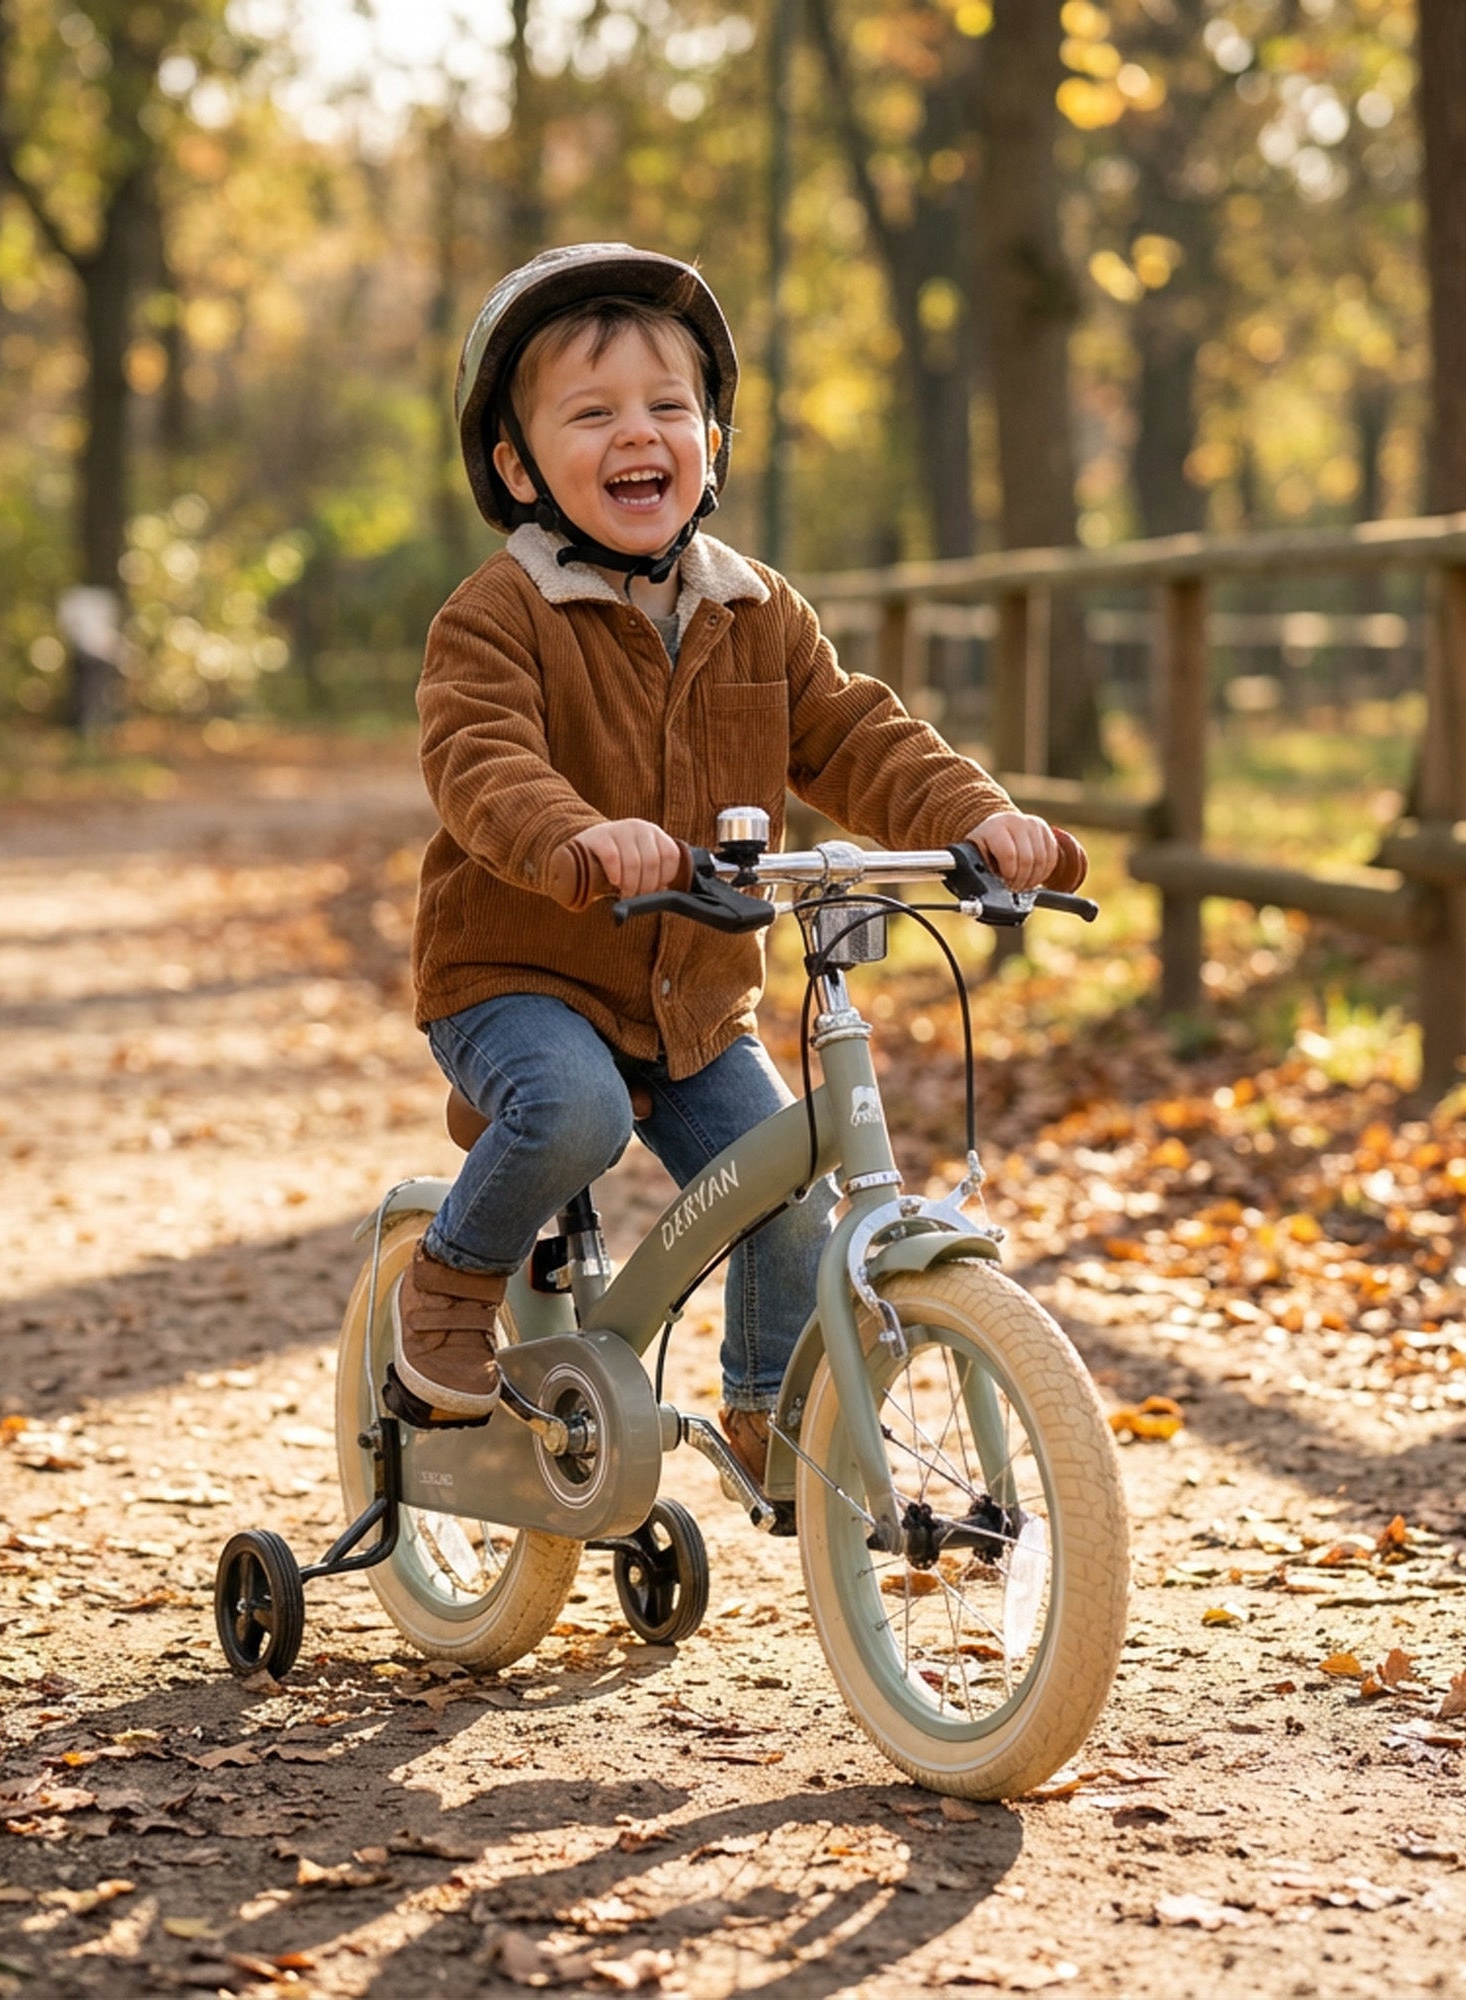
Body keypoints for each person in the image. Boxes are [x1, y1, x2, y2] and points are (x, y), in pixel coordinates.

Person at [401, 244, 1085, 1485]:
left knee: (792, 1177)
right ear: (515, 465)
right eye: (593, 413)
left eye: (668, 406)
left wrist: (980, 817)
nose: (638, 433)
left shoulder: (755, 608)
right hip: (519, 972)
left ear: (711, 439)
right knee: (574, 1110)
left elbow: (859, 735)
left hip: (694, 999)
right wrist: (572, 837)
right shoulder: (494, 616)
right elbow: (480, 759)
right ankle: (448, 1280)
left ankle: (772, 1410)